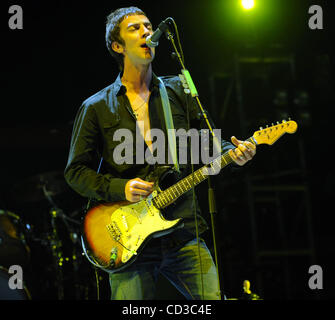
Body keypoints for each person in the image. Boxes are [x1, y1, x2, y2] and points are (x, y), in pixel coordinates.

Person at [64, 6, 256, 300]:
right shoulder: (96, 107)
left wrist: (236, 151)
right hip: (129, 239)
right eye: (135, 28)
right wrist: (121, 187)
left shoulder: (179, 89)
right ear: (118, 46)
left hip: (183, 231)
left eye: (148, 25)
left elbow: (208, 143)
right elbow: (75, 172)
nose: (146, 31)